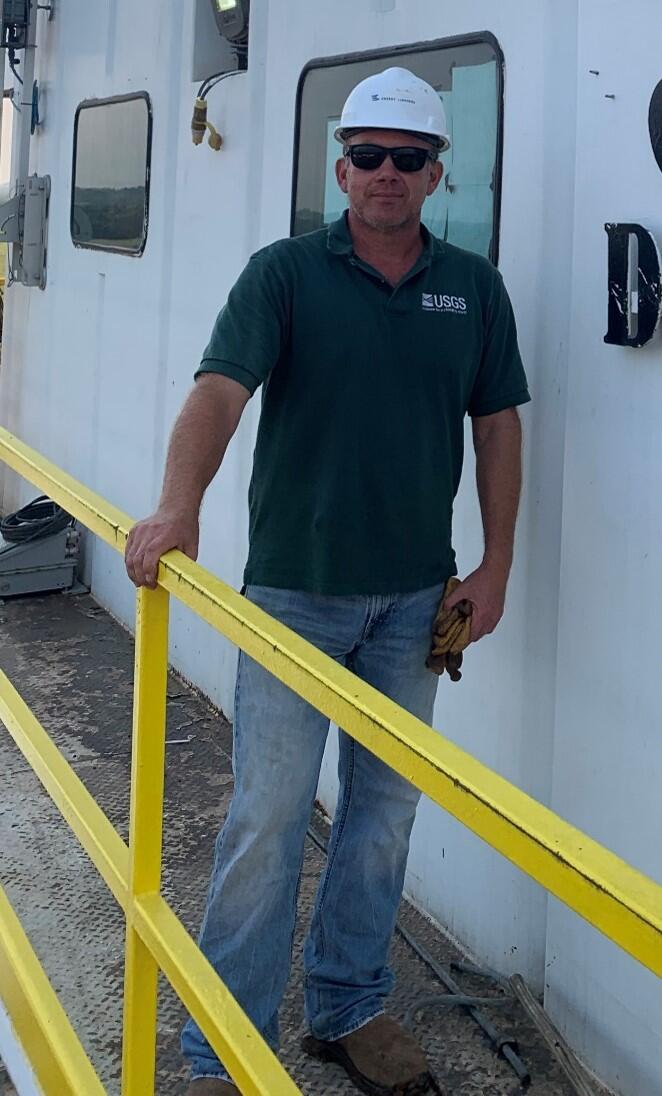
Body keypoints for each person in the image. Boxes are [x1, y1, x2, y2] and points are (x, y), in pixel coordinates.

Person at [125, 66, 530, 1096]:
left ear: (435, 172)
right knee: (266, 819)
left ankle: (348, 1006)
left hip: (417, 603)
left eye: (407, 157)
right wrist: (177, 506)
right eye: (367, 155)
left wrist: (493, 566)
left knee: (384, 815)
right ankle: (223, 1047)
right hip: (293, 596)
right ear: (340, 169)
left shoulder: (473, 288)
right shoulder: (283, 275)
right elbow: (219, 392)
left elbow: (496, 427)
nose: (386, 173)